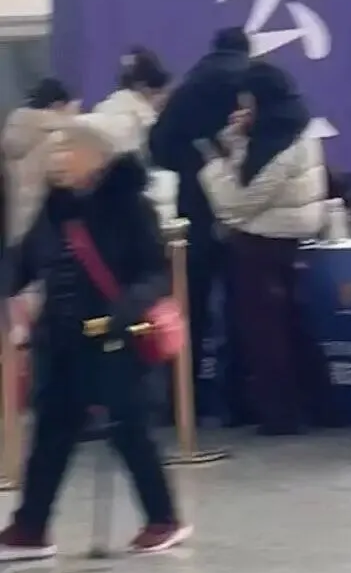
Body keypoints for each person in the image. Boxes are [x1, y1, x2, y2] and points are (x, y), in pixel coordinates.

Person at [0, 118, 190, 560]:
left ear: (97, 157)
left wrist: (125, 310)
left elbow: (154, 274)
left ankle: (163, 518)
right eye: (55, 149)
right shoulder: (54, 208)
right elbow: (26, 262)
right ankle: (31, 527)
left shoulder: (130, 205)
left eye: (68, 148)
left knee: (130, 430)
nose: (58, 157)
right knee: (51, 431)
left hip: (113, 337)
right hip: (60, 339)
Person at [198, 62, 326, 435]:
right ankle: (321, 407)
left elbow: (237, 202)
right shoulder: (296, 131)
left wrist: (212, 165)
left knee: (265, 337)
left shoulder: (278, 148)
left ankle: (280, 415)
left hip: (261, 246)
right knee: (294, 330)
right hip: (286, 242)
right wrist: (236, 137)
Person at [149, 27, 251, 401]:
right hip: (246, 206)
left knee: (190, 304)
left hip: (195, 206)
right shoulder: (254, 84)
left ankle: (183, 398)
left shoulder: (187, 89)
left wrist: (192, 162)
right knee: (246, 306)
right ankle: (242, 398)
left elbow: (157, 145)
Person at [95, 48, 176, 224]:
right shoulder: (144, 119)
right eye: (160, 93)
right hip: (134, 201)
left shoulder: (102, 109)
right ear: (144, 88)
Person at [2, 78, 77, 246]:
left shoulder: (16, 130)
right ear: (58, 105)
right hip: (46, 223)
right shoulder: (55, 133)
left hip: (18, 225)